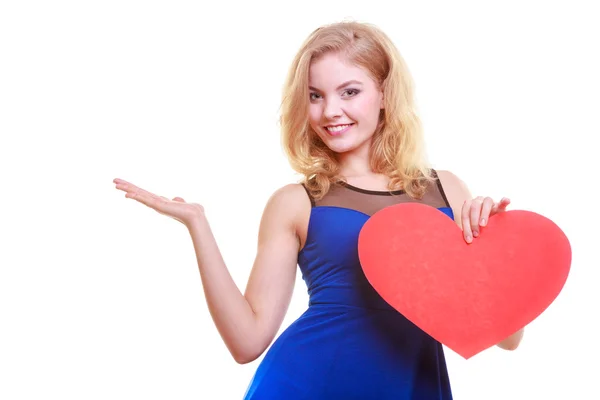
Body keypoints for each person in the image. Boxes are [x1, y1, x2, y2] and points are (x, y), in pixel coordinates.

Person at [114, 20, 524, 399]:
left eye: (349, 91)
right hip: (307, 384)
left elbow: (507, 338)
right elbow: (246, 342)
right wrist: (197, 224)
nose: (330, 111)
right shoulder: (294, 203)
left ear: (384, 94)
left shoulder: (446, 189)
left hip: (410, 385)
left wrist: (495, 248)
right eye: (315, 95)